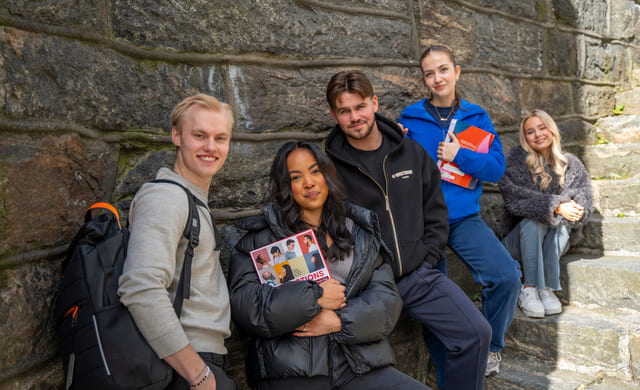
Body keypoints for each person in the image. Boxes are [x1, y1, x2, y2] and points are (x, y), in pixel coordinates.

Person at [325, 70, 491, 390]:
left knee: (475, 333)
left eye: (359, 107)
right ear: (334, 115)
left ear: (374, 104)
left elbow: (435, 208)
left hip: (417, 274)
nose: (354, 117)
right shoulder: (329, 168)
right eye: (344, 111)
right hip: (367, 285)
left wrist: (427, 256)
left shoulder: (411, 153)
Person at [228, 141, 431, 390]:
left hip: (356, 365)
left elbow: (386, 300)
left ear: (327, 176)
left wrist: (339, 321)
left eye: (315, 172)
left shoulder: (360, 234)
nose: (309, 183)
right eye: (296, 177)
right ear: (285, 186)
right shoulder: (260, 240)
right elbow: (245, 306)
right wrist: (315, 297)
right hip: (292, 370)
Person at [399, 46, 522, 376]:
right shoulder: (409, 118)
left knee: (506, 276)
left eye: (443, 69)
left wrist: (459, 155)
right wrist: (394, 143)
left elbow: (496, 170)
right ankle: (449, 375)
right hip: (424, 224)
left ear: (457, 71)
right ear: (423, 79)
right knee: (434, 303)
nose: (437, 78)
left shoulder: (476, 116)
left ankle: (492, 347)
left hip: (464, 218)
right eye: (429, 73)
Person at [118, 94, 238, 390]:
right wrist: (199, 376)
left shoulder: (191, 199)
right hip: (184, 367)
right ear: (176, 136)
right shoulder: (167, 198)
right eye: (199, 135)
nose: (211, 147)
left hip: (196, 363)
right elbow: (140, 287)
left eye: (220, 138)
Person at [499, 109, 593, 318]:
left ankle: (547, 288)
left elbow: (583, 200)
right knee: (534, 221)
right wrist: (558, 206)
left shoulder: (571, 164)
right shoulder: (517, 160)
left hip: (555, 241)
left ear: (552, 130)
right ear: (525, 138)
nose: (538, 134)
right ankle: (530, 288)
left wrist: (576, 210)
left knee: (564, 223)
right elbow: (516, 199)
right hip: (519, 242)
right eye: (531, 132)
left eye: (542, 128)